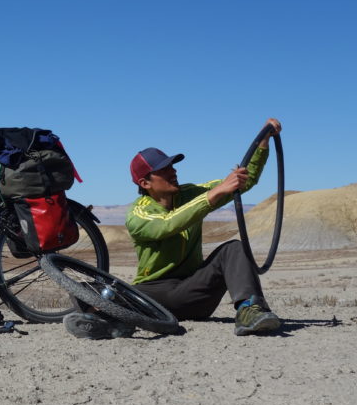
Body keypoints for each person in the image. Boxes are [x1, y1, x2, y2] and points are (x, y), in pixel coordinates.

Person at [64, 119, 283, 340]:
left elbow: (244, 181)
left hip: (193, 293)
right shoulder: (137, 214)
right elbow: (168, 224)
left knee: (233, 248)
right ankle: (108, 323)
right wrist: (213, 195)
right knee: (89, 289)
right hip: (153, 295)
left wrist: (262, 143)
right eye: (163, 170)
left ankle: (250, 311)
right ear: (145, 183)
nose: (173, 171)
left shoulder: (190, 193)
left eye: (172, 166)